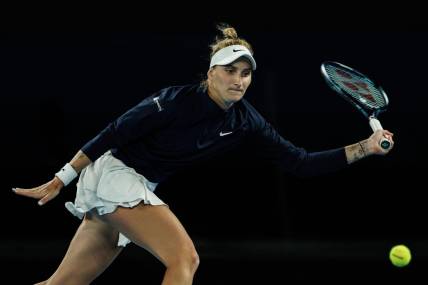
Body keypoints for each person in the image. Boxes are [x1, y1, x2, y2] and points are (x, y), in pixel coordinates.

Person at [13, 24, 394, 285]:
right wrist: (62, 178)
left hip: (134, 184)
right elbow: (114, 132)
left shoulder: (247, 121)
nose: (239, 80)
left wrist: (365, 148)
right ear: (211, 72)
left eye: (246, 73)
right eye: (231, 70)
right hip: (115, 176)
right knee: (185, 259)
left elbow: (300, 163)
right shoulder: (173, 101)